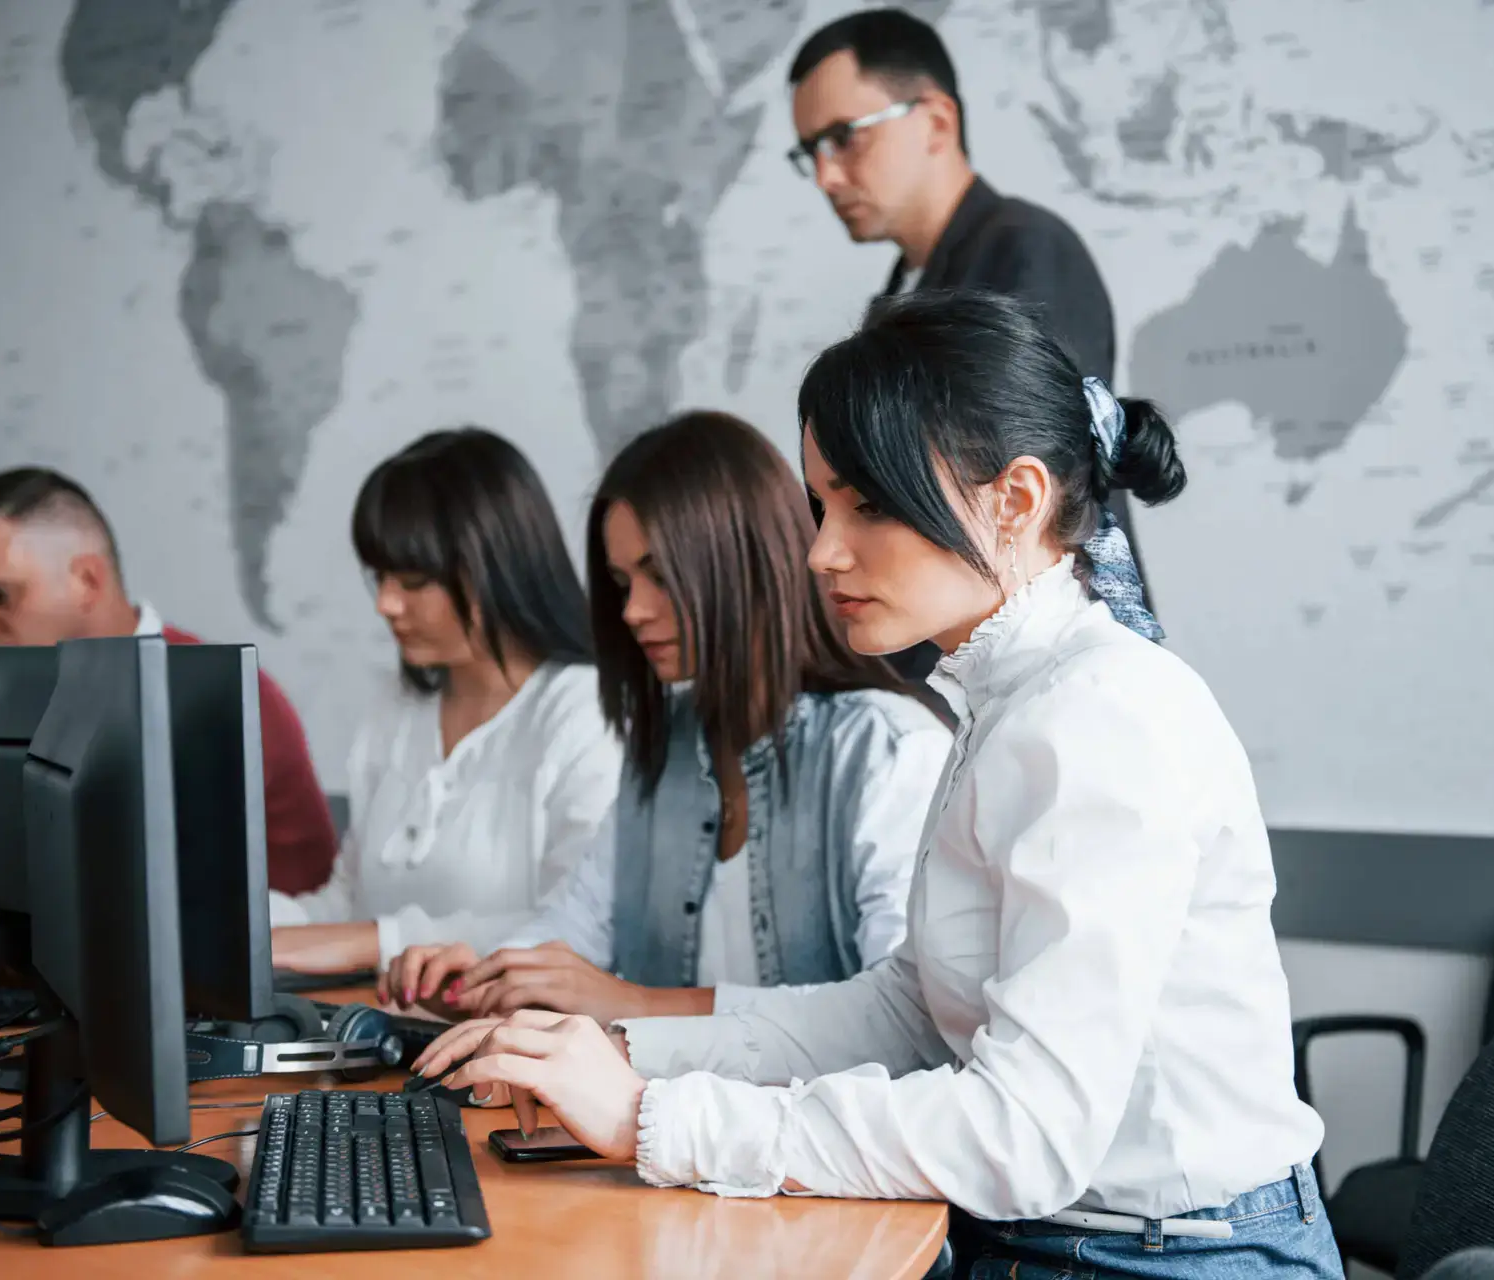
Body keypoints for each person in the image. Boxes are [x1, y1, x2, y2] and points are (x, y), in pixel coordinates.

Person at [413, 294, 1338, 1279]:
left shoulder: (1099, 717)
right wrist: (623, 1046)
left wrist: (655, 1115)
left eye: (868, 504)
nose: (820, 550)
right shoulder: (1008, 697)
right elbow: (906, 1009)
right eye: (823, 506)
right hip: (1049, 1242)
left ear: (1015, 502)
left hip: (1163, 1260)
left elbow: (1024, 1133)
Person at [381, 411, 950, 1024]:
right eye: (622, 583)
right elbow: (574, 926)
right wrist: (486, 978)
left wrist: (639, 1006)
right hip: (659, 1116)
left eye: (659, 576)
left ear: (744, 564)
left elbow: (901, 1019)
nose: (633, 611)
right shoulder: (666, 747)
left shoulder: (889, 752)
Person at [786, 8, 1151, 679]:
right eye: (809, 151)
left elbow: (1043, 489)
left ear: (937, 121)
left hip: (1047, 656)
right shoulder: (901, 293)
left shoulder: (1026, 250)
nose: (825, 176)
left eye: (843, 138)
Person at [269, 429, 623, 976]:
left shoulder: (583, 710)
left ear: (496, 567)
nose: (387, 603)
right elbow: (347, 903)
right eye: (380, 577)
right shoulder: (400, 704)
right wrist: (240, 925)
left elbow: (576, 929)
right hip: (380, 1031)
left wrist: (377, 942)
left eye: (412, 580)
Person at [0, 466, 336, 895]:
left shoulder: (218, 695)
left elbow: (146, 892)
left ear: (88, 581)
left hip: (266, 952)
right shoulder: (17, 698)